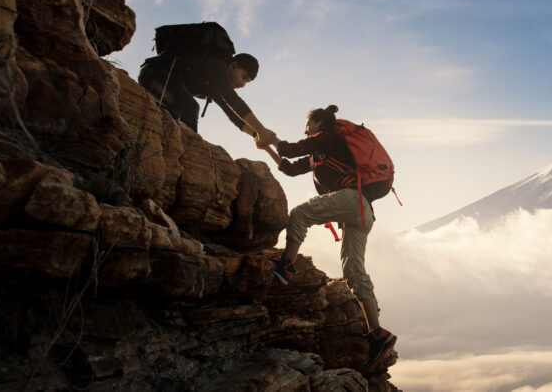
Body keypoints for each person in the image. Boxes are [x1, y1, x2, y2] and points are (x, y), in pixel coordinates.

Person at [272, 105, 397, 370]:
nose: (306, 130)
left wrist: (274, 140)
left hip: (351, 201)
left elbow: (293, 149)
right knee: (354, 271)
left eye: (309, 125)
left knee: (299, 213)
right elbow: (292, 168)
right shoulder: (322, 152)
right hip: (362, 211)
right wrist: (273, 153)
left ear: (319, 124)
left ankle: (286, 266)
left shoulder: (328, 137)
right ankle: (377, 334)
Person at [137, 53, 277, 146]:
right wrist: (261, 130)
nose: (243, 84)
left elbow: (232, 115)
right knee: (191, 107)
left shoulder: (213, 86)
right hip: (153, 73)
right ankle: (190, 152)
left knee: (175, 116)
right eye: (244, 77)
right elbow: (232, 99)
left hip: (162, 84)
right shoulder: (218, 67)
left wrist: (256, 134)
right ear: (233, 65)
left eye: (247, 82)